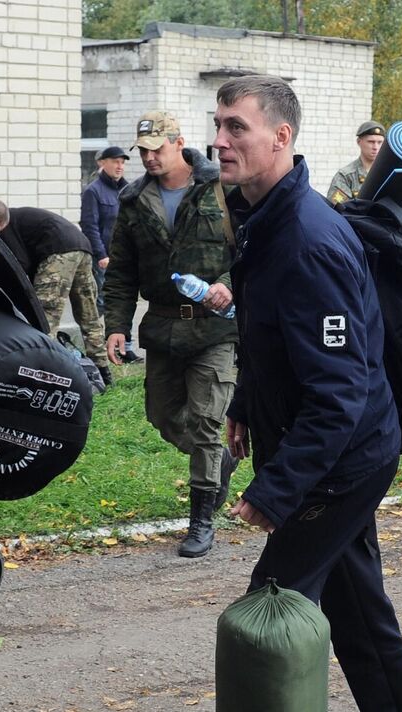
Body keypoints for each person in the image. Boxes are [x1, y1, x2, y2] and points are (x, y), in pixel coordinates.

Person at [164, 75, 402, 712]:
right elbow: (271, 338)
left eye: (236, 128)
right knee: (357, 610)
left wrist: (276, 489)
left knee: (273, 603)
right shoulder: (264, 216)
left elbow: (342, 391)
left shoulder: (308, 238)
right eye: (217, 125)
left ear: (281, 139)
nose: (219, 140)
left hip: (344, 455)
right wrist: (246, 408)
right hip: (331, 445)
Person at [100, 110, 240, 558]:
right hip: (162, 326)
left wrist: (230, 285)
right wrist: (116, 326)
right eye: (142, 150)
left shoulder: (222, 187)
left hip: (215, 327)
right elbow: (120, 272)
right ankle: (221, 461)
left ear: (179, 143)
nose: (148, 158)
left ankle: (201, 520)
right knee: (162, 416)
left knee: (204, 421)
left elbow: (254, 248)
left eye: (157, 149)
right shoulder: (133, 200)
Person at [0, 198, 111, 384]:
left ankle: (47, 374)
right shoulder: (18, 217)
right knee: (88, 313)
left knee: (43, 319)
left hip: (57, 252)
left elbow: (22, 265)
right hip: (82, 247)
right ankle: (103, 372)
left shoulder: (7, 229)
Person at [82, 145, 129, 298]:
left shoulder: (128, 190)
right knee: (101, 300)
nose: (120, 166)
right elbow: (90, 226)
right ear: (102, 163)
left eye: (122, 162)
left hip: (123, 256)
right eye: (116, 162)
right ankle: (95, 323)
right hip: (104, 258)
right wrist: (101, 255)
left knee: (121, 298)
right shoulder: (93, 191)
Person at [328, 121, 385, 205]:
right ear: (359, 142)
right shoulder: (346, 175)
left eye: (380, 142)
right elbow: (339, 209)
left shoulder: (388, 173)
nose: (376, 147)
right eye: (371, 142)